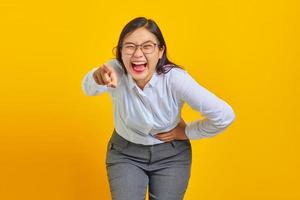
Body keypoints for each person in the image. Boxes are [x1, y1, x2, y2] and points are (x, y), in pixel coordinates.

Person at [82, 17, 235, 200]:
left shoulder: (175, 79)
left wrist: (188, 131)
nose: (138, 54)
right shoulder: (115, 71)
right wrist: (97, 77)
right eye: (130, 46)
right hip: (125, 154)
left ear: (160, 51)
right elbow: (89, 87)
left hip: (171, 156)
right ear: (121, 52)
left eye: (147, 46)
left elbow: (224, 115)